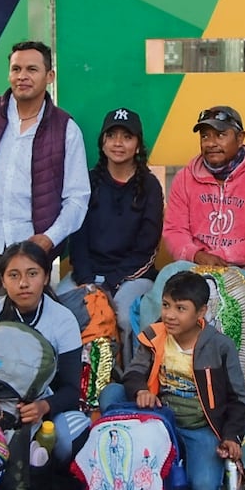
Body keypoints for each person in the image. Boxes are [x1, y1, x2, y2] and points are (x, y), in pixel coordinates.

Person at [0, 41, 90, 371]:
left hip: (32, 252)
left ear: (49, 76)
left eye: (32, 69)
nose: (22, 76)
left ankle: (19, 417)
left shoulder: (65, 129)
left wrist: (48, 239)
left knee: (26, 338)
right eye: (16, 69)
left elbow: (78, 199)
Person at [99, 271, 245, 490]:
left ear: (201, 312)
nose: (169, 315)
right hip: (159, 421)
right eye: (166, 305)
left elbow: (239, 399)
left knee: (203, 489)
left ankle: (187, 459)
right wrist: (141, 391)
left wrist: (232, 436)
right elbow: (133, 373)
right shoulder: (154, 335)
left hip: (199, 426)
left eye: (180, 309)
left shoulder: (220, 346)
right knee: (111, 394)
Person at [0, 241, 90, 465]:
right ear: (3, 280)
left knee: (70, 435)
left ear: (45, 277)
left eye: (32, 274)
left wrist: (44, 407)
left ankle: (50, 488)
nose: (23, 283)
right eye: (13, 275)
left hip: (35, 413)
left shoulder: (62, 320)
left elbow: (72, 391)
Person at [61, 107, 164, 358]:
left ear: (138, 145)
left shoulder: (149, 186)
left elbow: (147, 248)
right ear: (103, 142)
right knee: (61, 311)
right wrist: (88, 282)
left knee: (126, 317)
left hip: (131, 276)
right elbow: (78, 237)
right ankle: (73, 386)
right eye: (112, 136)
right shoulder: (88, 181)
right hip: (87, 274)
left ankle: (130, 383)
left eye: (127, 137)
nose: (118, 143)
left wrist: (110, 284)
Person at [163, 105, 245, 309]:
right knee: (159, 301)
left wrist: (219, 258)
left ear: (240, 138)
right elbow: (174, 231)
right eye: (205, 136)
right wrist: (198, 256)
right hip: (193, 271)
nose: (212, 143)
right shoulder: (185, 178)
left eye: (221, 135)